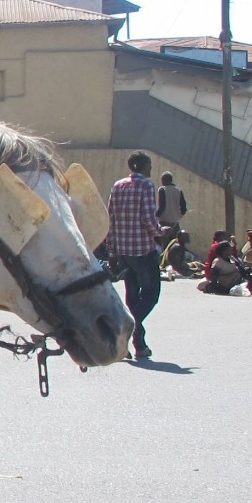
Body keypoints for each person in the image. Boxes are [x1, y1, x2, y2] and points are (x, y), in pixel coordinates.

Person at [105, 151, 162, 360]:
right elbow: (148, 218)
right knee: (151, 294)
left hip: (123, 251)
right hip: (142, 250)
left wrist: (111, 250)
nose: (150, 170)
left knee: (132, 295)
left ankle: (139, 342)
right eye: (149, 166)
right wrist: (162, 232)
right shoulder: (146, 185)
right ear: (144, 166)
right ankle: (125, 328)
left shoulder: (118, 186)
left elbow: (110, 219)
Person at [156, 171, 187, 252]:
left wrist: (155, 217)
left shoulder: (162, 189)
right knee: (173, 247)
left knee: (163, 247)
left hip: (163, 222)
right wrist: (178, 216)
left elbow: (162, 206)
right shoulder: (178, 191)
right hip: (175, 224)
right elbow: (184, 208)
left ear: (163, 180)